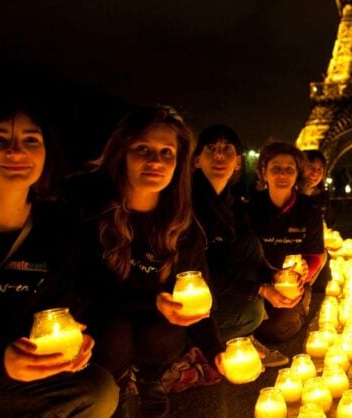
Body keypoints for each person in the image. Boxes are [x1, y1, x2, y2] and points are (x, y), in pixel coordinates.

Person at [0, 97, 118, 417]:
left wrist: (68, 338)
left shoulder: (55, 229)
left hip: (2, 378)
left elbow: (58, 305)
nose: (16, 152)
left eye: (31, 140)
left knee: (98, 390)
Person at [68, 105, 230, 418]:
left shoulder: (183, 227)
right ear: (122, 153)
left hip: (154, 330)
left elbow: (199, 298)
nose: (156, 161)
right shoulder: (88, 209)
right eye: (143, 149)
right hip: (99, 322)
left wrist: (216, 351)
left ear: (179, 162)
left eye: (167, 152)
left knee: (164, 331)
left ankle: (149, 377)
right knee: (116, 331)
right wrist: (151, 300)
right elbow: (82, 286)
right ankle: (114, 384)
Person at [191, 124, 289, 367]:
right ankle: (195, 348)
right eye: (211, 148)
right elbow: (201, 273)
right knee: (252, 313)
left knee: (250, 244)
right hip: (188, 302)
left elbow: (251, 253)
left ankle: (238, 338)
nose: (219, 155)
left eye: (227, 149)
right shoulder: (187, 205)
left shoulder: (234, 204)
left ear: (237, 162)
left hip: (218, 293)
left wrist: (274, 275)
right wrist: (259, 289)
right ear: (196, 160)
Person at [247, 141, 326, 343]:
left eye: (289, 169)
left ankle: (302, 304)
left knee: (276, 330)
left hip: (291, 282)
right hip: (256, 280)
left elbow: (315, 254)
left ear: (297, 174)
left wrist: (304, 275)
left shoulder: (309, 209)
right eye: (276, 169)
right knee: (250, 319)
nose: (283, 175)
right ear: (264, 172)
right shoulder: (249, 208)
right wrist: (263, 286)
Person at [302, 149, 335, 227]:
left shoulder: (323, 197)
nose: (315, 172)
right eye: (311, 166)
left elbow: (330, 223)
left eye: (320, 169)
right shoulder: (289, 194)